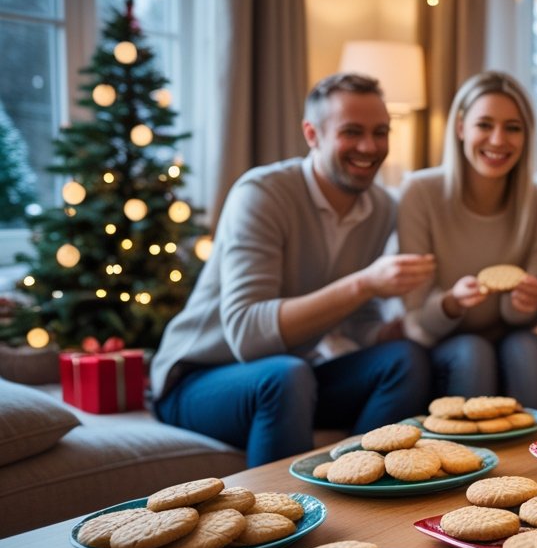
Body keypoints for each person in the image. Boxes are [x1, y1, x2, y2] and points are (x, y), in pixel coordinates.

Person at [150, 73, 435, 467]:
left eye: (380, 132)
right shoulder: (262, 194)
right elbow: (248, 336)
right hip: (200, 378)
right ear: (312, 134)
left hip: (294, 376)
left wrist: (400, 327)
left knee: (405, 359)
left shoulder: (382, 208)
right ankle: (283, 505)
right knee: (286, 376)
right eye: (352, 132)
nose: (369, 147)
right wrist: (366, 283)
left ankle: (360, 477)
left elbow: (359, 320)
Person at [397, 71, 537, 412]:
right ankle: (465, 447)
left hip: (513, 339)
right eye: (484, 125)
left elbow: (529, 320)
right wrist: (452, 303)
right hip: (444, 343)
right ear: (460, 128)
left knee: (528, 348)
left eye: (513, 128)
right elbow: (417, 318)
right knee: (473, 352)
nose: (498, 140)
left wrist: (524, 304)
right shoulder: (419, 193)